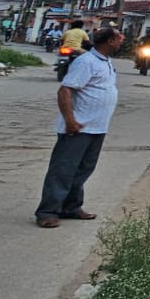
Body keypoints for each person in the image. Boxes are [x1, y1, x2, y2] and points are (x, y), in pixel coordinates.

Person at [35, 27, 124, 228]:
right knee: (63, 170)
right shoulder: (87, 62)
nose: (121, 43)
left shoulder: (105, 62)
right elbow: (65, 90)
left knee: (83, 170)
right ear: (109, 41)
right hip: (79, 127)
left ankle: (71, 207)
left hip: (97, 127)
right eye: (118, 39)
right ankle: (48, 211)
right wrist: (70, 120)